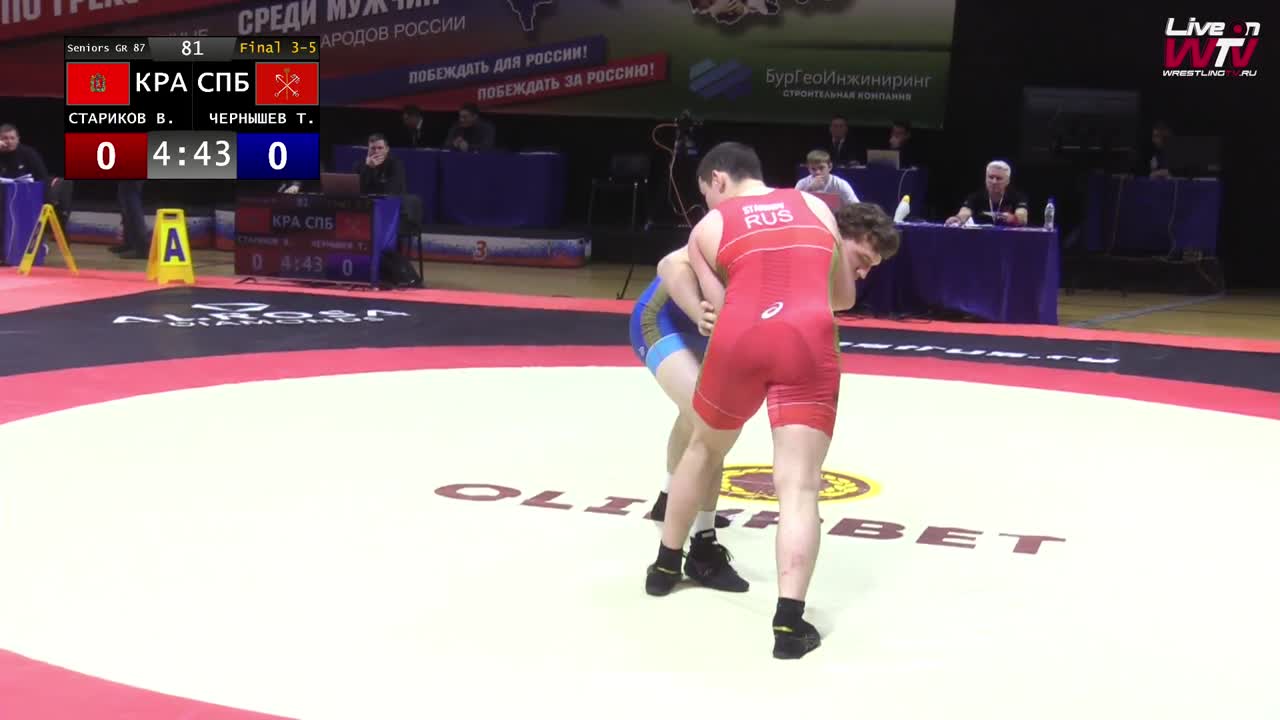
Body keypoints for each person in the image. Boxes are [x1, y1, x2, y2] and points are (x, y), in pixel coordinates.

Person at [644, 142, 899, 660]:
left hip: (740, 335)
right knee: (799, 485)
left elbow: (721, 300)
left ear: (719, 181)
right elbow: (843, 297)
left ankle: (666, 566)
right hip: (806, 338)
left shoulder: (709, 226)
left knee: (704, 448)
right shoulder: (815, 207)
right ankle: (788, 624)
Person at [629, 251, 743, 591]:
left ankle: (669, 498)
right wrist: (697, 311)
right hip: (662, 319)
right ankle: (702, 547)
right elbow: (669, 265)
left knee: (694, 413)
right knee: (711, 420)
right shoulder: (727, 230)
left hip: (712, 326)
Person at [944, 160, 1028, 226]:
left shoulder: (1017, 197)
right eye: (991, 177)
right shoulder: (975, 197)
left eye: (998, 178)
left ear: (1007, 181)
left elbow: (1023, 217)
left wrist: (1014, 219)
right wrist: (957, 219)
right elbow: (965, 212)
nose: (994, 181)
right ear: (985, 178)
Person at [794, 149, 859, 207]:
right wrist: (810, 189)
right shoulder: (802, 183)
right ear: (808, 168)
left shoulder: (840, 184)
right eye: (813, 169)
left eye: (821, 168)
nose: (817, 172)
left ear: (830, 167)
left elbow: (855, 207)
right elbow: (794, 206)